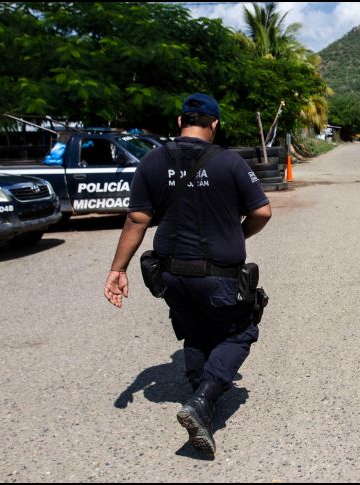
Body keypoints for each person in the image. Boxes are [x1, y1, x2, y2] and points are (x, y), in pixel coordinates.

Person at [103, 93, 272, 456]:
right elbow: (262, 211)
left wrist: (118, 269)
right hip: (219, 273)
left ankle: (200, 400)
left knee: (195, 332)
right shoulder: (230, 162)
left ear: (180, 122)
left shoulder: (152, 160)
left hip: (172, 273)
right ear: (214, 124)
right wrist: (237, 234)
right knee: (240, 331)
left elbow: (136, 219)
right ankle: (204, 400)